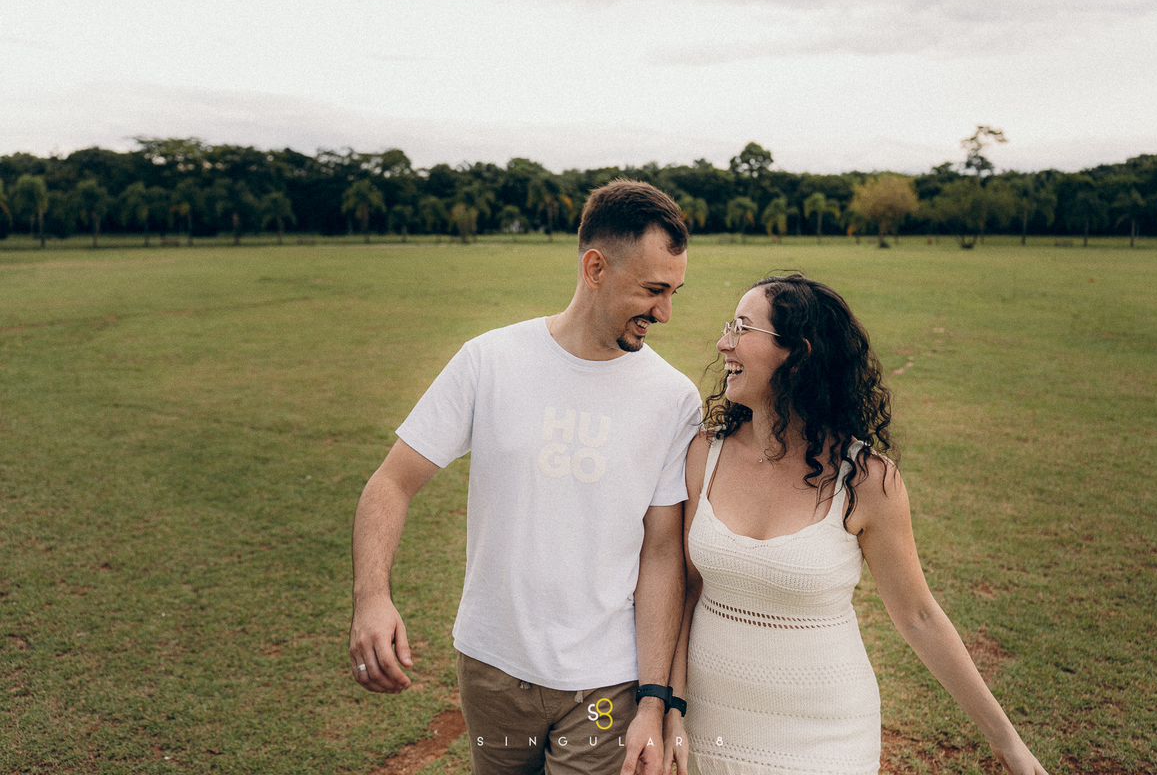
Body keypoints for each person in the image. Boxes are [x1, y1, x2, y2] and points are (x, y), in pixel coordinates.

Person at [348, 179, 701, 775]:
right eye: (653, 290)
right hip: (492, 670)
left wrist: (653, 699)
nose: (664, 312)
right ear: (595, 267)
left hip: (604, 689)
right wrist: (372, 598)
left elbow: (663, 555)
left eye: (674, 292)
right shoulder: (490, 361)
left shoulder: (673, 398)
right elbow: (391, 483)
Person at [663, 274, 1049, 775]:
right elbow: (683, 592)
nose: (722, 343)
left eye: (741, 328)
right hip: (710, 734)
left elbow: (919, 617)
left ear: (796, 355)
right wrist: (668, 707)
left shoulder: (866, 480)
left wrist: (1008, 745)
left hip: (825, 740)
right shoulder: (703, 455)